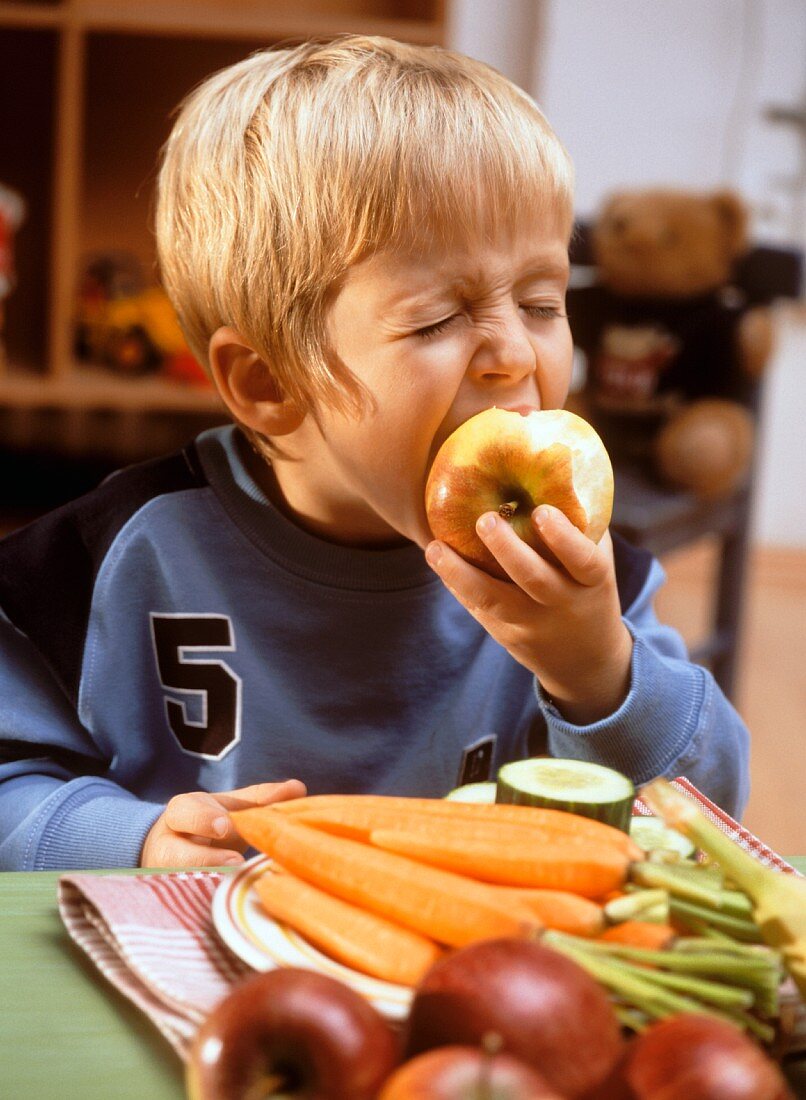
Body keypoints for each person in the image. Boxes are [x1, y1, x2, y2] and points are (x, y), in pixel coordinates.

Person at [0, 36, 749, 872]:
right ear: (270, 382)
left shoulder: (576, 588)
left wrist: (599, 671)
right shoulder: (109, 560)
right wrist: (130, 839)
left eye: (543, 300)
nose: (512, 353)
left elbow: (713, 822)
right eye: (436, 321)